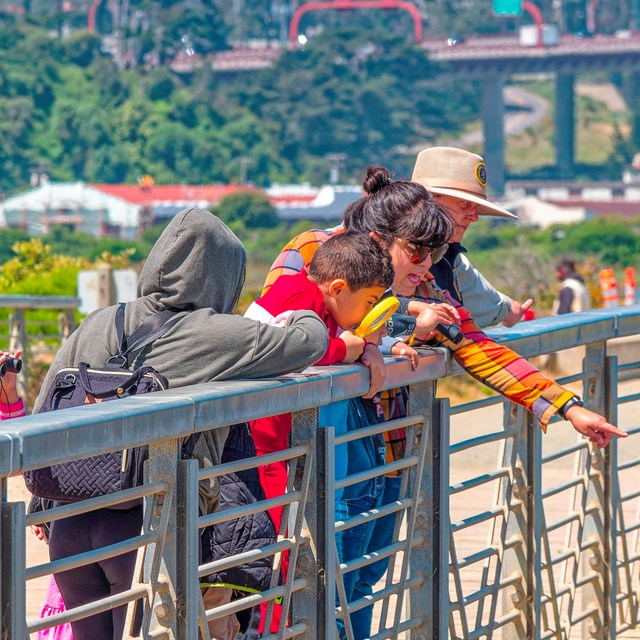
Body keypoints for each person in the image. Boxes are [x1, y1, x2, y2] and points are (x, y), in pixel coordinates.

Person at [264, 166, 627, 639]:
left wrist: (567, 406)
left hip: (387, 447)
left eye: (435, 249)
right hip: (312, 454)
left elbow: (475, 345)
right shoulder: (314, 252)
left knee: (363, 579)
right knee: (321, 582)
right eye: (421, 247)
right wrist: (373, 342)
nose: (468, 220)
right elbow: (279, 333)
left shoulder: (426, 276)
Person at [32, 208, 330, 640]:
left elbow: (46, 408)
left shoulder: (98, 321)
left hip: (70, 522)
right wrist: (300, 312)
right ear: (224, 277)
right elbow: (309, 344)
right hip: (145, 525)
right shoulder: (216, 333)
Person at [412, 146, 533, 328]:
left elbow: (478, 292)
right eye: (464, 204)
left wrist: (509, 309)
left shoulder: (447, 254)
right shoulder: (381, 251)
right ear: (430, 200)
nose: (474, 217)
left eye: (476, 207)